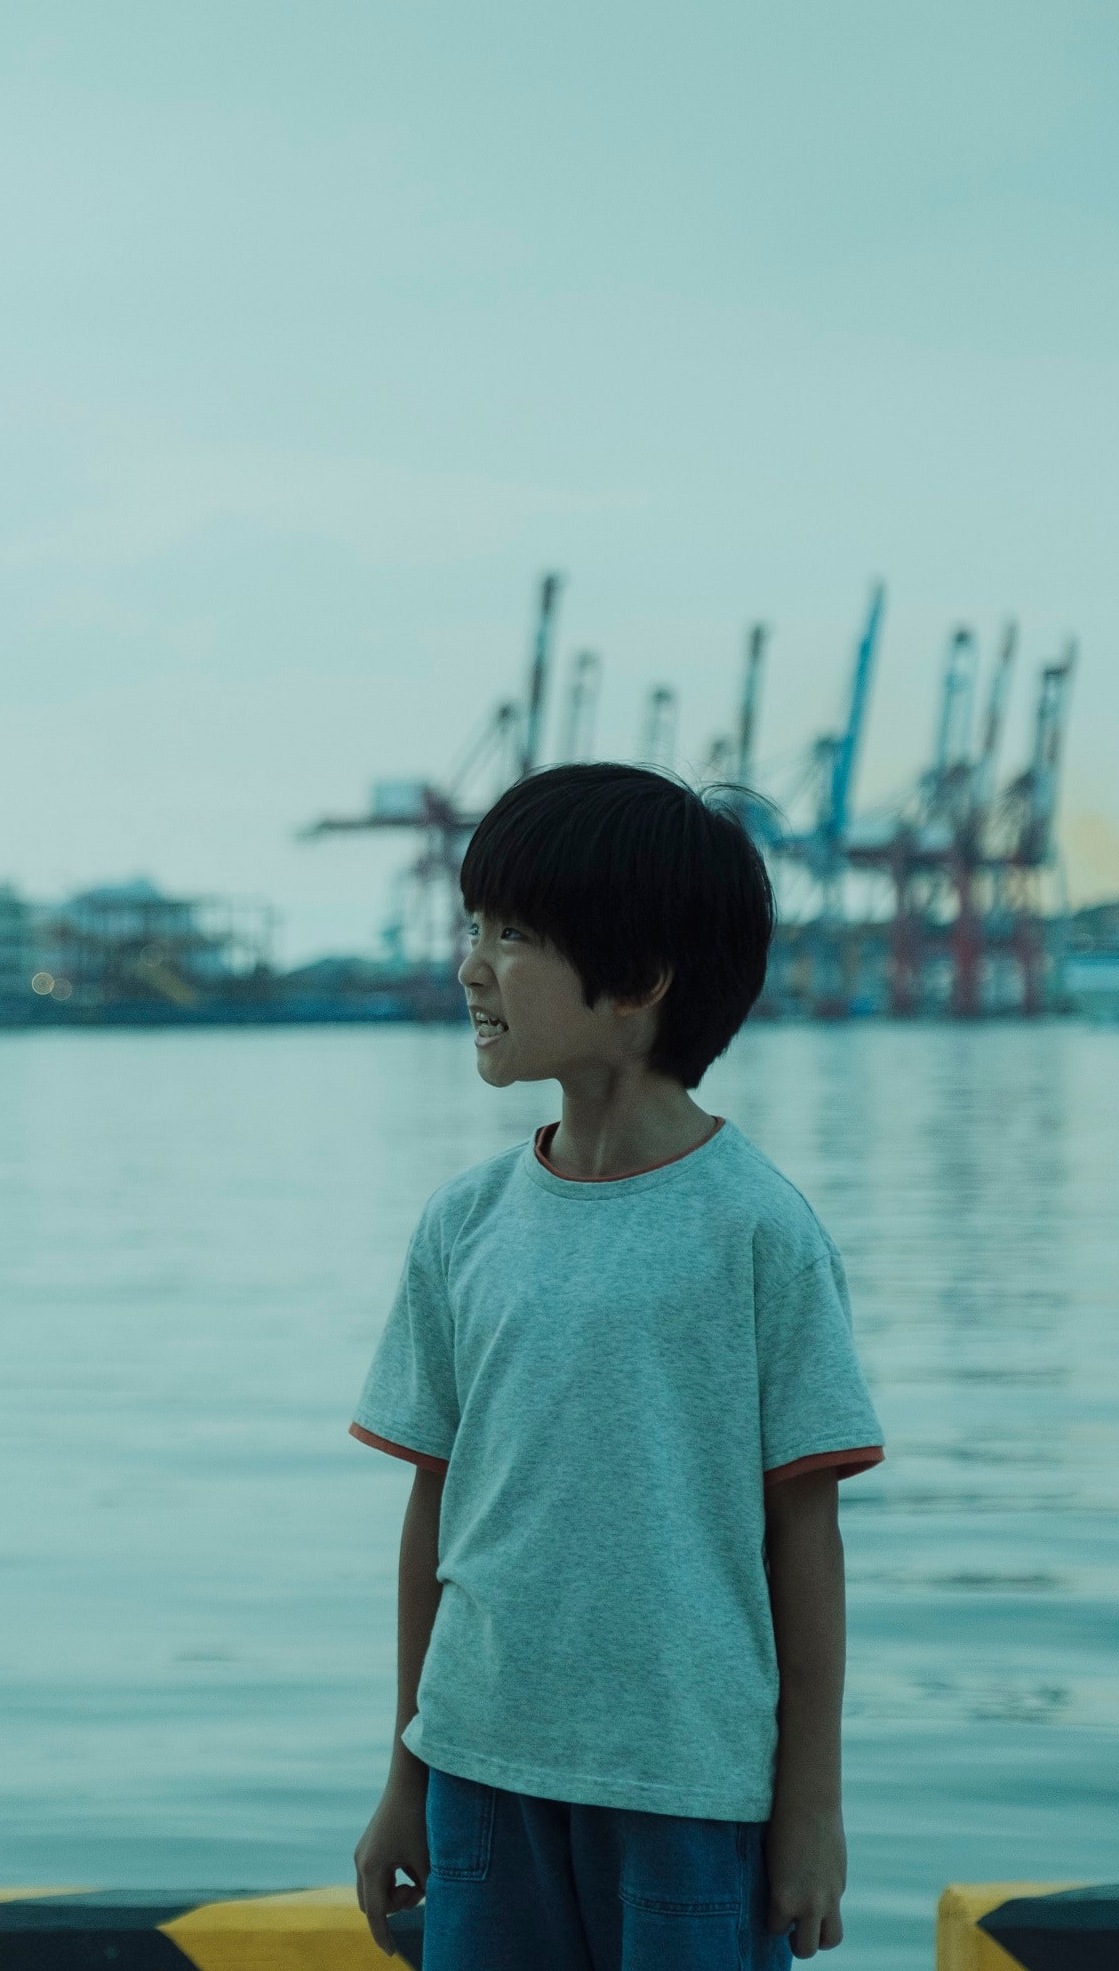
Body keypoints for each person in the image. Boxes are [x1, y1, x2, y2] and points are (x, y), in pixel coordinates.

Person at [348, 764, 884, 1968]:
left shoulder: (759, 1231)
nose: (473, 966)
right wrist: (405, 1772)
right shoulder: (464, 1224)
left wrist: (811, 1809)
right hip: (479, 1772)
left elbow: (805, 1536)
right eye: (475, 928)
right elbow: (436, 1510)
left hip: (689, 1789)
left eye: (515, 936)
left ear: (639, 979)